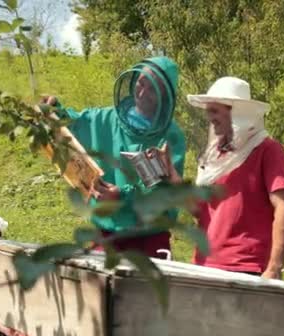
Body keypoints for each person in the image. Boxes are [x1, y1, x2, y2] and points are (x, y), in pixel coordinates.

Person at [41, 56, 186, 258]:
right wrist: (55, 109)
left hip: (150, 237)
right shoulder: (105, 118)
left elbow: (163, 193)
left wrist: (122, 197)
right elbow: (73, 123)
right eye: (141, 83)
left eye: (152, 89)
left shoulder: (171, 137)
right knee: (101, 289)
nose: (142, 92)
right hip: (107, 234)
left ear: (165, 95)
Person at [181, 76, 284, 279]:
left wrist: (274, 267)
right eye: (208, 111)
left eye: (215, 110)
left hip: (246, 266)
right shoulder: (214, 156)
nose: (209, 117)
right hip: (205, 264)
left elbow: (283, 206)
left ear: (238, 113)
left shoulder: (267, 150)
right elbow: (202, 212)